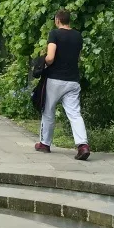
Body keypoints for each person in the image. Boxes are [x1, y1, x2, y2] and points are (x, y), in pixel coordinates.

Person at [35, 9, 90, 160]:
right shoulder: (78, 36)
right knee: (74, 114)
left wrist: (41, 61)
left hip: (55, 80)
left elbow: (51, 57)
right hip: (73, 80)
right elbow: (78, 58)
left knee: (48, 111)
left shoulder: (55, 34)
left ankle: (45, 144)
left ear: (58, 20)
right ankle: (83, 145)